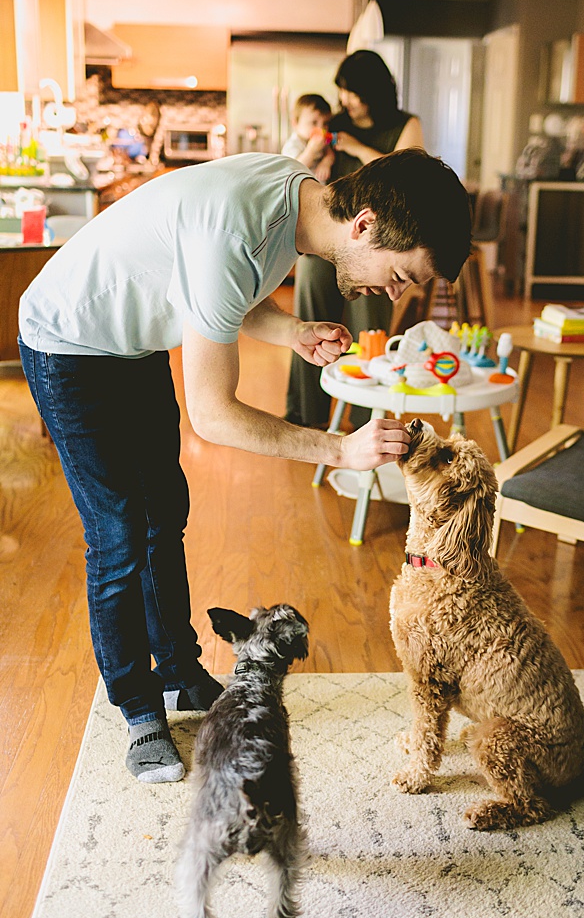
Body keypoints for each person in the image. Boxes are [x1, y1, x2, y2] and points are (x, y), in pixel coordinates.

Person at [18, 148, 471, 783]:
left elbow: (220, 294)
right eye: (399, 276)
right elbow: (214, 415)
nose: (391, 296)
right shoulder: (241, 226)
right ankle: (138, 710)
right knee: (118, 536)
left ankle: (178, 674)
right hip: (68, 340)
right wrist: (337, 449)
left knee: (164, 515)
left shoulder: (296, 203)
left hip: (134, 342)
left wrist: (288, 330)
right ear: (365, 225)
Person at [285, 50, 425, 428]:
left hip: (380, 247)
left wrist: (358, 148)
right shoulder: (334, 123)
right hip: (326, 243)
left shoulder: (405, 124)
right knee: (311, 322)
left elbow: (412, 179)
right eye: (341, 91)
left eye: (349, 91)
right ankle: (306, 416)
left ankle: (367, 420)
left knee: (370, 333)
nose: (343, 99)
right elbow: (299, 163)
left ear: (371, 91)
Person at [280, 92, 335, 181]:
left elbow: (330, 153)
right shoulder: (292, 145)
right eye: (314, 123)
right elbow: (294, 169)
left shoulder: (321, 141)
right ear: (295, 123)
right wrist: (311, 151)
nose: (321, 129)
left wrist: (326, 163)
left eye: (325, 123)